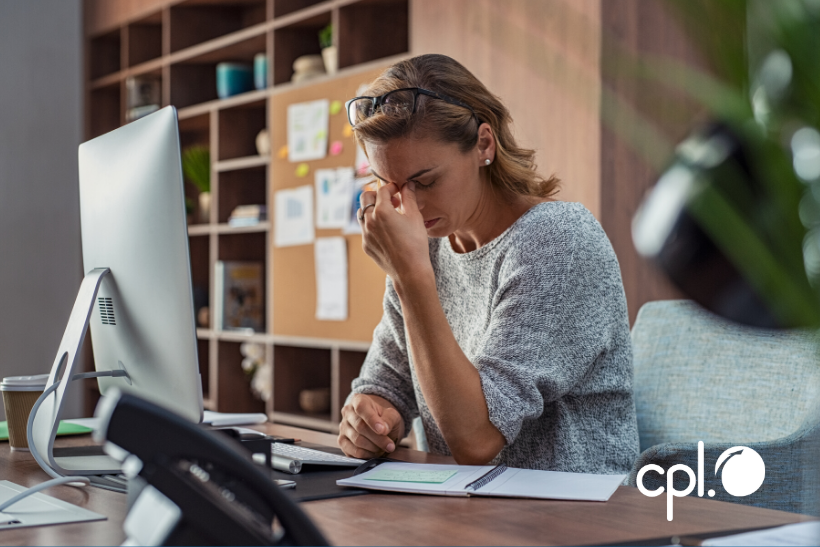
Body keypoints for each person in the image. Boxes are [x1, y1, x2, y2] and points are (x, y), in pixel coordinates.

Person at [338, 54, 639, 473]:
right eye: (391, 185)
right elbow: (387, 382)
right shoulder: (426, 248)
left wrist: (410, 276)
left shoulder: (557, 240)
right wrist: (369, 416)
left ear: (484, 144)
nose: (409, 205)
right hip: (467, 510)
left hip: (574, 518)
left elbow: (477, 439)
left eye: (425, 182)